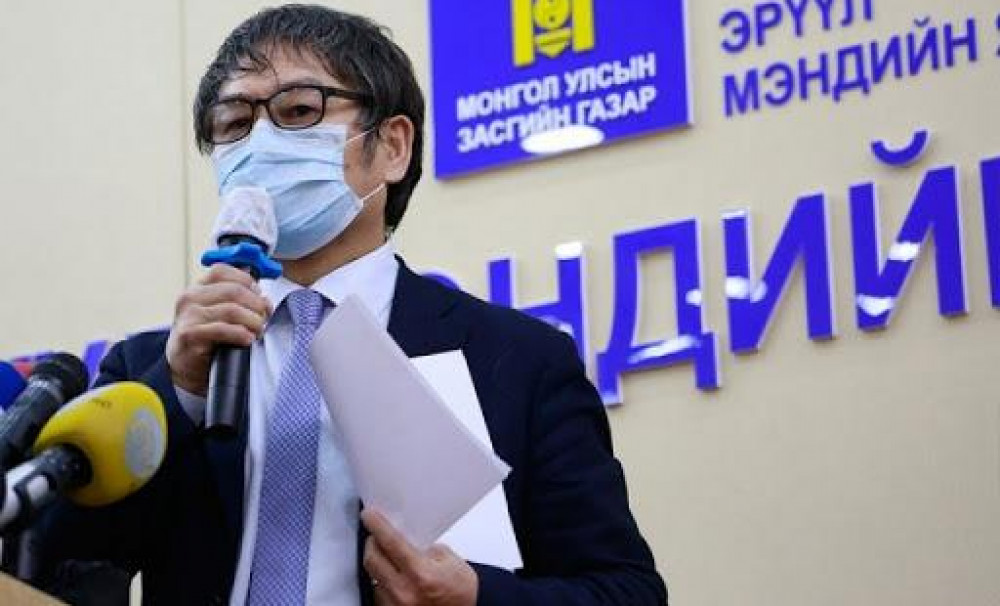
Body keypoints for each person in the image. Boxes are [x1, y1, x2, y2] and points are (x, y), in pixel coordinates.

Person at [35, 5, 667, 605]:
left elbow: (625, 590)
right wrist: (181, 393)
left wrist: (474, 597)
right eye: (234, 123)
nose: (260, 141)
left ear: (392, 146)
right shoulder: (152, 371)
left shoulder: (516, 360)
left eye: (298, 110)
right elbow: (54, 571)